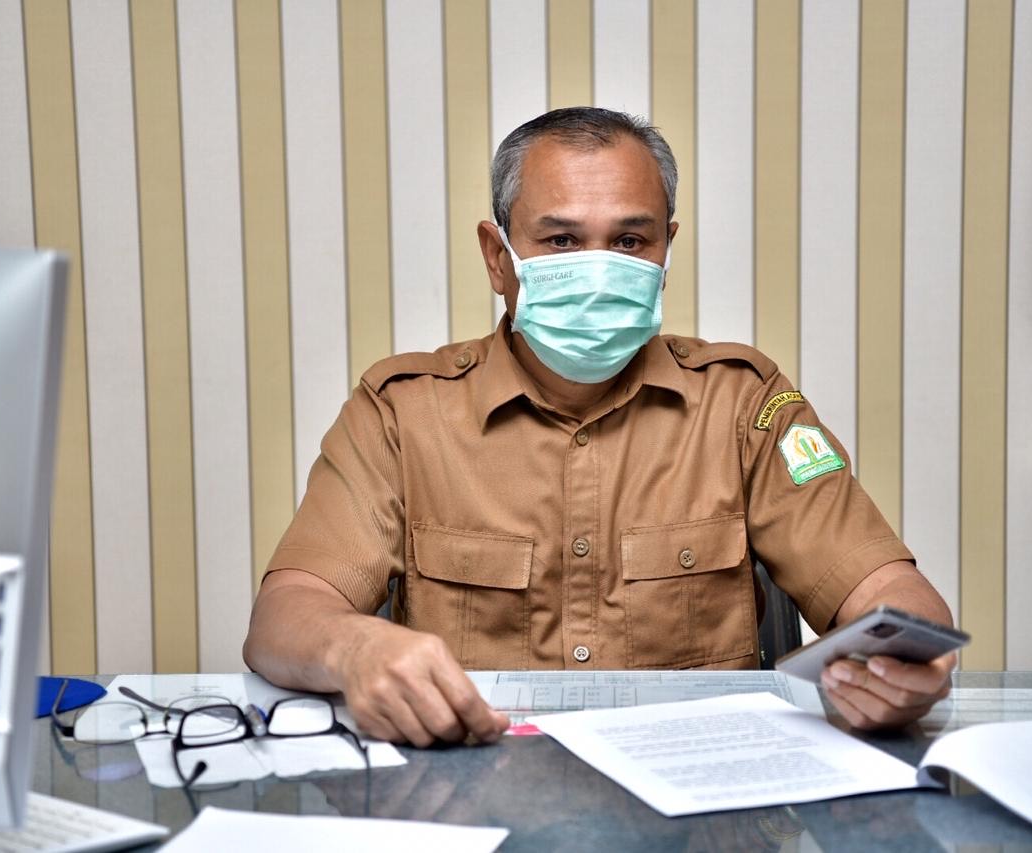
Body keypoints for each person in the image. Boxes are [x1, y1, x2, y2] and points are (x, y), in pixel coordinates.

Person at [243, 107, 955, 747]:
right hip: (477, 789)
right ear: (498, 257)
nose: (598, 268)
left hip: (700, 795)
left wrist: (907, 659)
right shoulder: (401, 411)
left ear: (666, 249)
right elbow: (286, 614)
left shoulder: (744, 402)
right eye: (560, 240)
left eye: (629, 240)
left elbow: (884, 588)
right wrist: (356, 649)